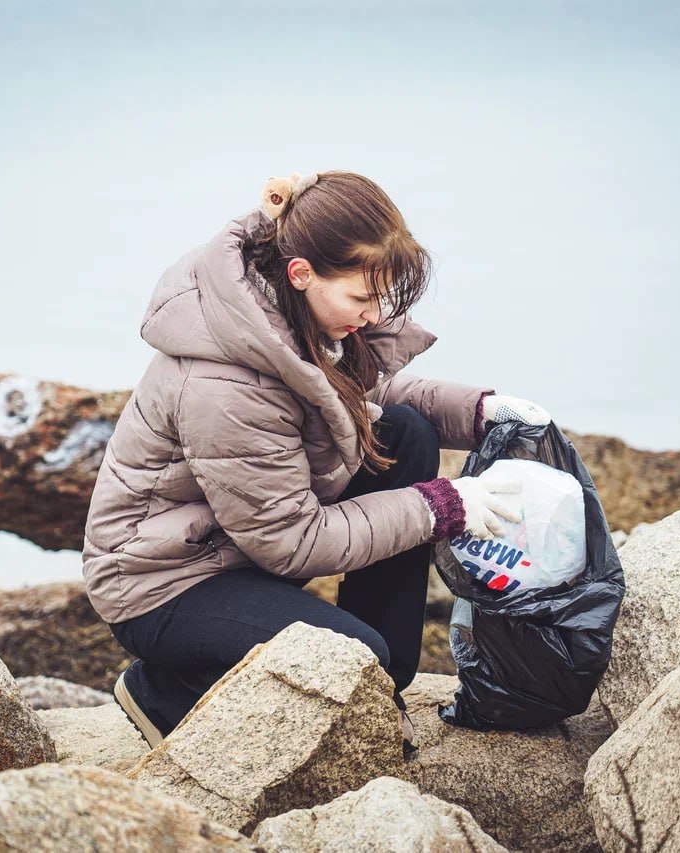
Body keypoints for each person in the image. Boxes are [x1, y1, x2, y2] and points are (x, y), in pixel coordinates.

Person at [81, 170, 553, 758]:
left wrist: (482, 411)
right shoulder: (223, 386)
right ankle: (167, 688)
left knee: (405, 434)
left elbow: (362, 396)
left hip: (237, 548)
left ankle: (385, 681)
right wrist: (440, 507)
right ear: (302, 274)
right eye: (362, 297)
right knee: (352, 657)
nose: (375, 312)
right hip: (166, 584)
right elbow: (293, 542)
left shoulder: (301, 314)